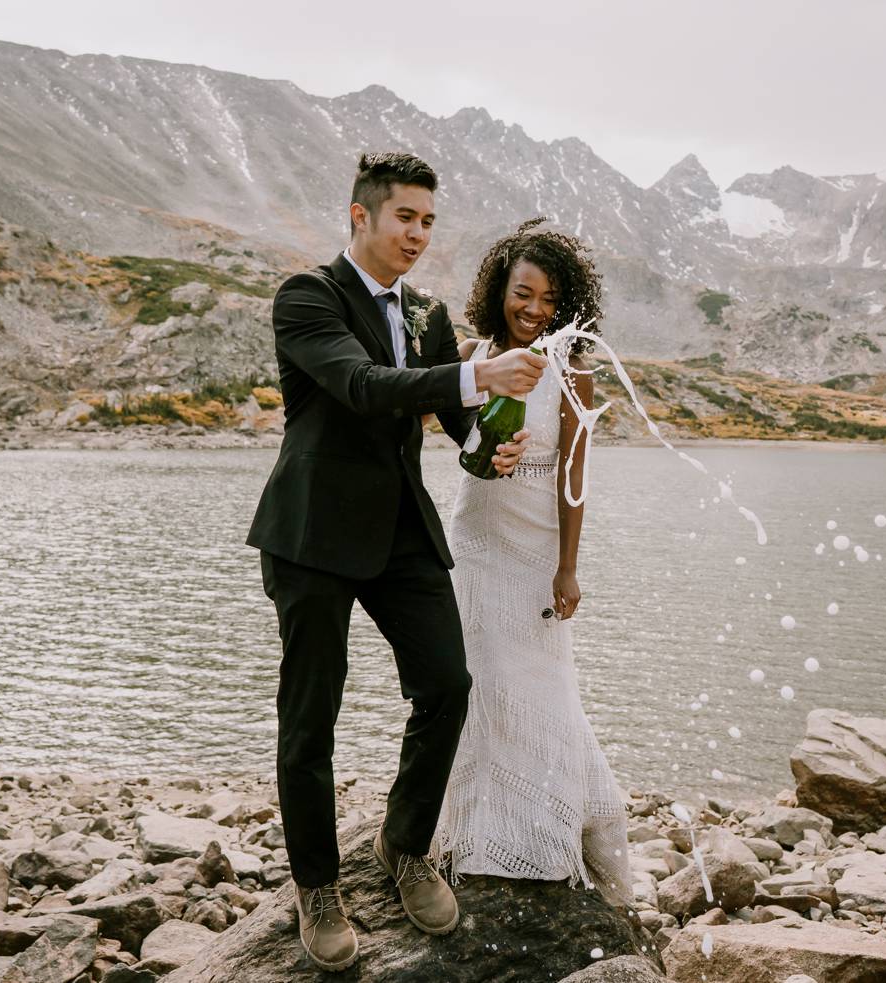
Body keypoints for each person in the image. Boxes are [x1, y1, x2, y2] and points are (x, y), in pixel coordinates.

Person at [245, 153, 548, 972]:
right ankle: (316, 886)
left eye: (428, 221)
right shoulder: (307, 297)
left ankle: (403, 842)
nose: (417, 234)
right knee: (312, 719)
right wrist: (473, 373)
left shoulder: (428, 313)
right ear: (360, 217)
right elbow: (363, 384)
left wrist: (495, 449)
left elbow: (459, 433)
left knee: (447, 684)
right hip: (311, 538)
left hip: (402, 535)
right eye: (404, 217)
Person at [435, 219, 633, 903]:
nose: (535, 310)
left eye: (550, 299)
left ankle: (544, 839)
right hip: (476, 538)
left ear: (566, 306)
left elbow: (572, 482)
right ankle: (477, 835)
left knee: (542, 689)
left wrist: (568, 567)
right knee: (479, 683)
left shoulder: (572, 373)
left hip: (537, 549)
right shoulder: (472, 353)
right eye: (524, 293)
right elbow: (445, 431)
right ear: (501, 291)